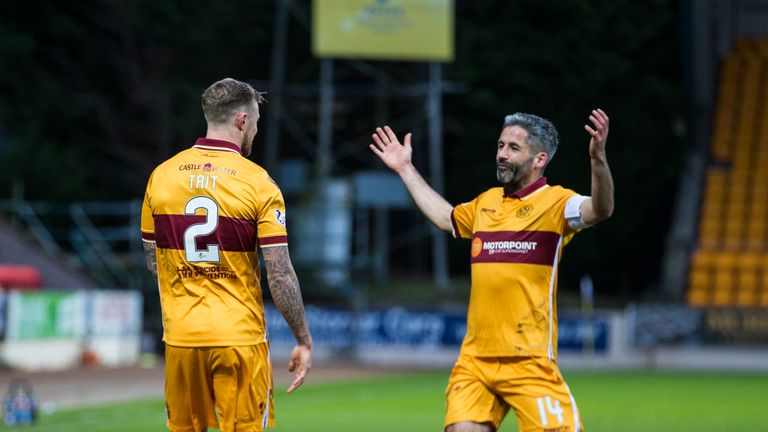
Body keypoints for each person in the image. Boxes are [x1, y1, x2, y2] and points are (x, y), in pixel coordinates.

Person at [370, 109, 613, 432]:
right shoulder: (485, 203)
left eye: (513, 148)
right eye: (500, 146)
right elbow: (446, 217)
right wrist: (405, 168)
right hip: (475, 363)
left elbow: (600, 209)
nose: (501, 154)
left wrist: (597, 159)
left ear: (539, 159)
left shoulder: (556, 203)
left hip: (529, 362)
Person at [141, 78, 312, 432]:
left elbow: (154, 262)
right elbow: (280, 274)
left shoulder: (161, 176)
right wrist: (303, 339)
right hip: (238, 339)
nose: (256, 129)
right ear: (242, 121)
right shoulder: (259, 183)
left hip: (181, 339)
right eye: (257, 121)